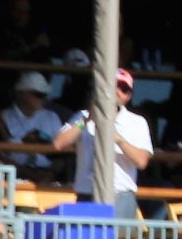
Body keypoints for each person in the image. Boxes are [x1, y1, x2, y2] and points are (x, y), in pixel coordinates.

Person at [52, 68, 151, 214]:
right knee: (84, 237)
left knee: (117, 237)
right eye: (112, 85)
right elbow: (58, 144)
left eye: (123, 88)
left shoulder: (137, 122)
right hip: (87, 193)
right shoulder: (83, 116)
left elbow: (142, 161)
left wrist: (119, 139)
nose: (116, 91)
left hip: (121, 195)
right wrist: (87, 120)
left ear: (128, 96)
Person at [2, 71, 63, 172]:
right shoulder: (2, 117)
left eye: (44, 95)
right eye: (39, 95)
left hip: (45, 175)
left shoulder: (52, 117)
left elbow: (61, 153)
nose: (43, 99)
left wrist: (51, 174)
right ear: (23, 94)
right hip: (11, 174)